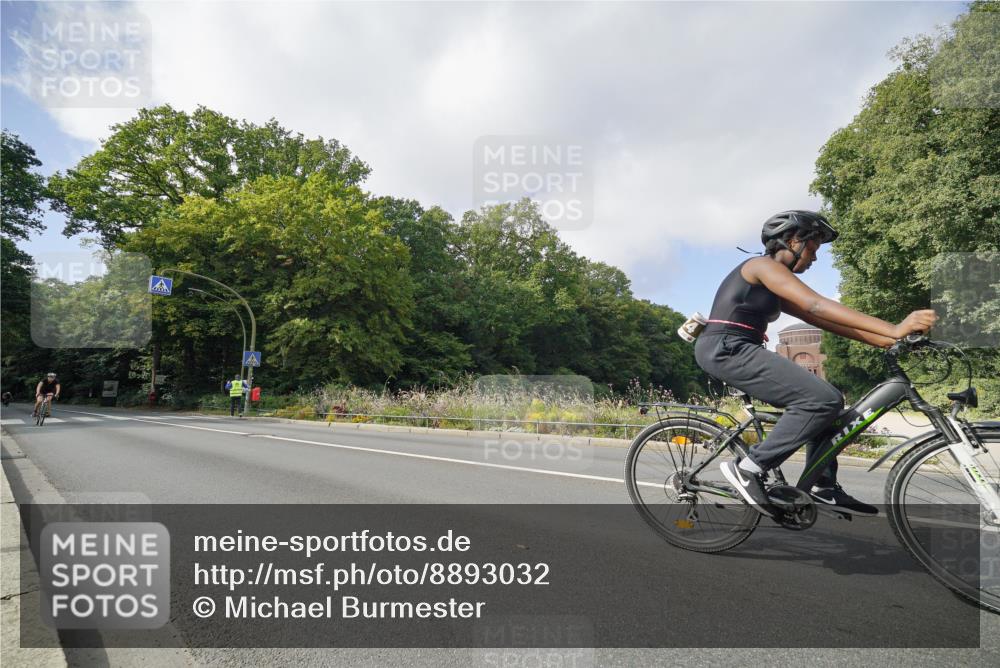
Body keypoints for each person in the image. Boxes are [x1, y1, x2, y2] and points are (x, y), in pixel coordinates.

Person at [694, 210, 937, 517]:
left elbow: (817, 317)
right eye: (812, 248)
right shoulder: (761, 266)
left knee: (830, 405)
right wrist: (894, 327)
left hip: (738, 347)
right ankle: (749, 468)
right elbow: (816, 303)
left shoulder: (773, 281)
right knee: (822, 399)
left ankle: (823, 485)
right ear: (792, 240)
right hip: (725, 347)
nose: (815, 258)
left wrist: (888, 340)